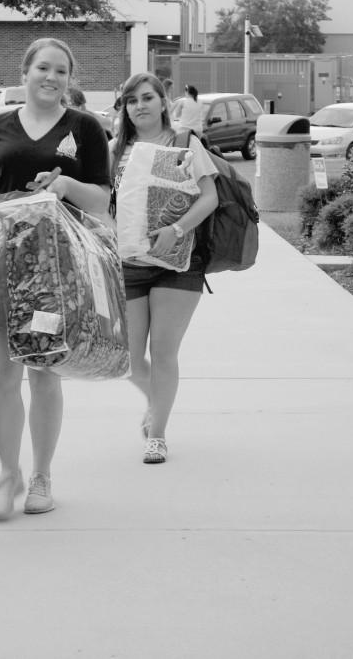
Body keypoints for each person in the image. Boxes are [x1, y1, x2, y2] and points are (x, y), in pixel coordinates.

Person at [0, 38, 110, 521]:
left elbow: (102, 200)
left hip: (55, 268)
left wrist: (64, 184)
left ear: (69, 78)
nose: (52, 77)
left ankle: (41, 476)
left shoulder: (85, 127)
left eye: (61, 71)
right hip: (1, 263)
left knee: (43, 372)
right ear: (26, 71)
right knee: (2, 376)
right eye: (43, 67)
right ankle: (7, 475)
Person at [109, 73, 218, 464]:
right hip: (130, 263)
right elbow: (106, 207)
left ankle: (157, 435)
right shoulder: (113, 150)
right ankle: (156, 404)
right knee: (130, 360)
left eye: (147, 97)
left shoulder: (185, 142)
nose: (140, 106)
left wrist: (176, 229)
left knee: (164, 352)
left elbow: (210, 197)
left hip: (179, 263)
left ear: (162, 101)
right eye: (131, 100)